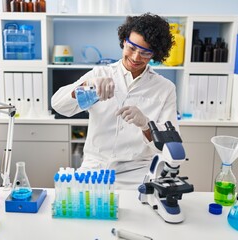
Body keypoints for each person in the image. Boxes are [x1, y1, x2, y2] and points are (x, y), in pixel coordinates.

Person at [51, 13, 178, 190]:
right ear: (124, 41)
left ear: (155, 54)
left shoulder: (165, 88)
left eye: (145, 52)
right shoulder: (99, 75)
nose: (135, 57)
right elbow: (58, 105)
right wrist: (87, 86)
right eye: (132, 48)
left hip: (137, 173)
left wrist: (147, 125)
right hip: (95, 168)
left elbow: (169, 145)